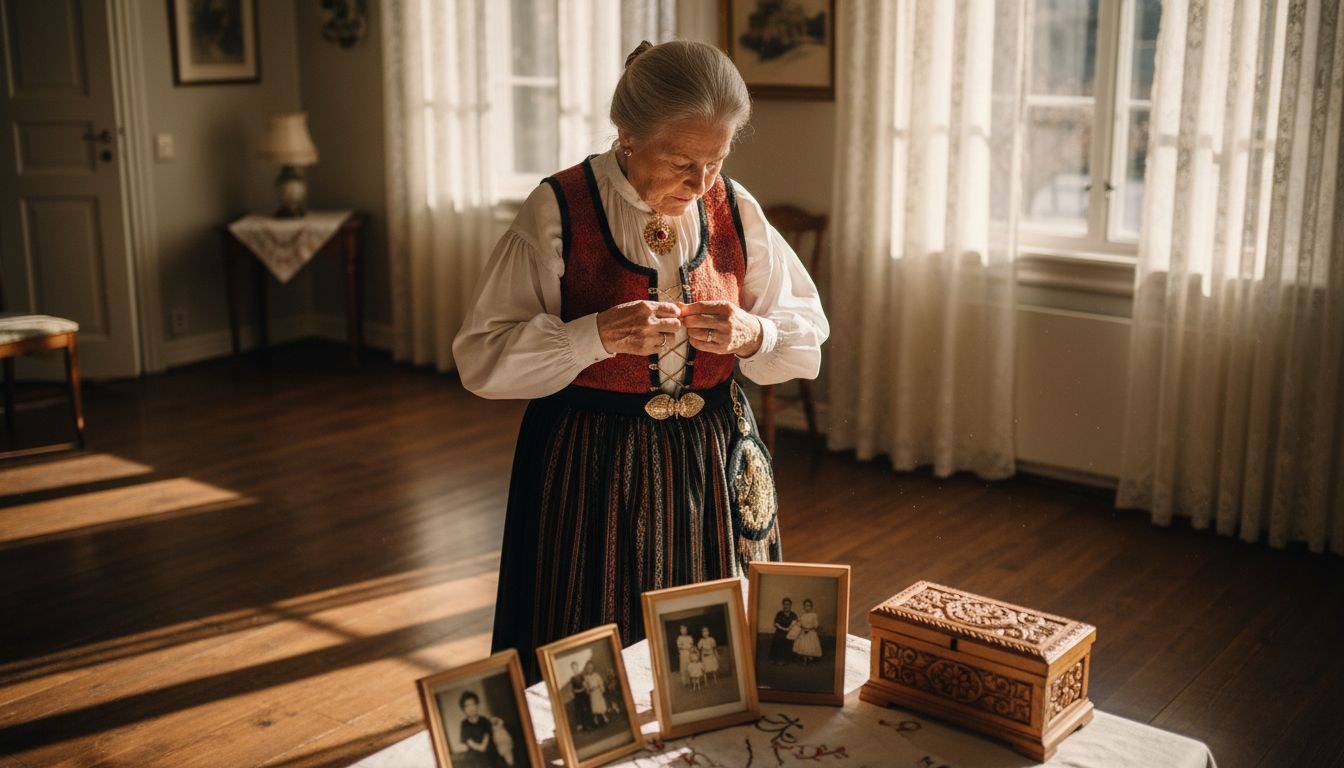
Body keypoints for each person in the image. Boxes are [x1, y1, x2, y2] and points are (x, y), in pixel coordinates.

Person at [454, 40, 829, 682]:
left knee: (710, 646)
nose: (701, 183)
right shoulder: (558, 209)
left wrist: (750, 333)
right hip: (589, 459)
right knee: (587, 626)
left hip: (712, 457)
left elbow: (807, 330)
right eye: (681, 161)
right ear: (628, 136)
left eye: (717, 159)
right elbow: (483, 358)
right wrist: (590, 337)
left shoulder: (735, 206)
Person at [456, 690, 503, 767]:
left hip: (490, 752)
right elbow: (469, 742)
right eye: (467, 706)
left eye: (473, 704)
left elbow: (487, 735)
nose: (471, 708)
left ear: (477, 705)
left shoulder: (484, 720)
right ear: (463, 709)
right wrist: (481, 748)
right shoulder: (464, 724)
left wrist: (483, 746)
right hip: (475, 756)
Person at [770, 598, 798, 665]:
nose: (786, 606)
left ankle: (786, 659)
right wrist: (783, 629)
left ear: (791, 605)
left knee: (788, 639)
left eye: (788, 604)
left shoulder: (793, 615)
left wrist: (788, 629)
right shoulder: (779, 613)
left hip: (790, 632)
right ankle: (778, 658)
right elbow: (776, 624)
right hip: (780, 631)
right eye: (785, 604)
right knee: (779, 638)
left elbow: (794, 624)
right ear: (783, 605)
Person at [793, 599, 822, 664]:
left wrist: (809, 629)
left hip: (811, 632)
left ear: (811, 607)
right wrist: (799, 624)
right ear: (804, 607)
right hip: (803, 632)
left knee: (810, 646)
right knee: (803, 646)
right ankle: (804, 659)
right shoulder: (803, 615)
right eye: (805, 606)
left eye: (809, 606)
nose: (807, 608)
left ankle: (810, 658)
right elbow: (800, 624)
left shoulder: (814, 615)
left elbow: (816, 625)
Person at [568, 661, 592, 732]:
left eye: (576, 667)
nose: (575, 669)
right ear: (572, 669)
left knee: (587, 708)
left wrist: (586, 689)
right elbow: (571, 689)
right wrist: (572, 694)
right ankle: (584, 726)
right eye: (573, 668)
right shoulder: (572, 679)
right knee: (580, 710)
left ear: (578, 668)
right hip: (578, 696)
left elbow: (584, 684)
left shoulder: (581, 676)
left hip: (584, 694)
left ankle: (590, 724)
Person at [584, 661, 610, 726]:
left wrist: (601, 688)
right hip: (592, 693)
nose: (589, 669)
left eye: (591, 668)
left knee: (600, 704)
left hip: (598, 692)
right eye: (588, 668)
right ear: (586, 669)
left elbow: (600, 682)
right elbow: (586, 686)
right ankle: (595, 719)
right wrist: (588, 689)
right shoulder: (586, 677)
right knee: (595, 706)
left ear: (593, 668)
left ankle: (604, 717)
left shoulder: (596, 675)